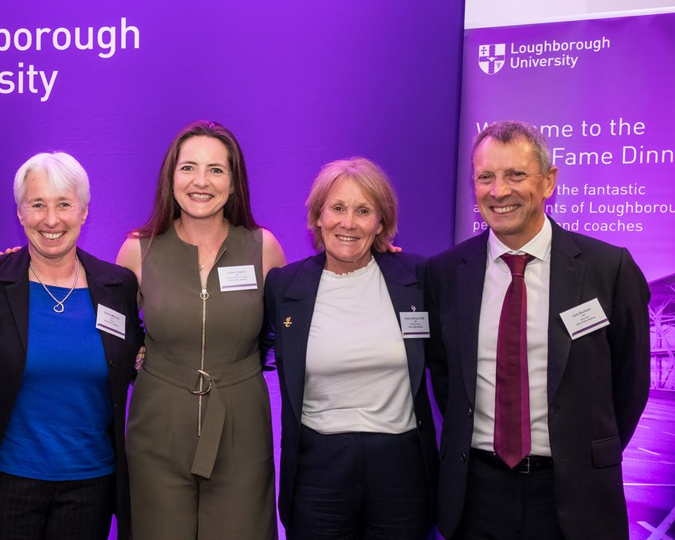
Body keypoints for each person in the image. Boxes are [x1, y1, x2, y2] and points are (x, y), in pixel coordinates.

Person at [426, 121, 650, 539]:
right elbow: (445, 377)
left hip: (576, 496)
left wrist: (585, 451)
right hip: (477, 495)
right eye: (485, 177)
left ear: (548, 182)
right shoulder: (446, 275)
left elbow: (630, 383)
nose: (499, 191)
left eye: (516, 174)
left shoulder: (608, 269)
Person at [0, 152, 143, 540]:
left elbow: (135, 358)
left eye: (64, 204)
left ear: (84, 212)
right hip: (7, 480)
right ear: (20, 213)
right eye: (37, 205)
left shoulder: (118, 286)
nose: (51, 219)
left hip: (91, 484)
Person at [116, 120, 285, 539]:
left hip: (241, 428)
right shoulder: (138, 249)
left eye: (216, 169)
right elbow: (109, 333)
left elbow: (292, 321)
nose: (201, 181)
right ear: (171, 177)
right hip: (157, 428)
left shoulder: (264, 247)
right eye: (188, 167)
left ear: (234, 181)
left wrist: (378, 254)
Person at [263, 157, 438, 539]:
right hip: (319, 470)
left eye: (363, 211)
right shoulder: (284, 286)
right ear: (318, 216)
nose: (349, 223)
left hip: (401, 468)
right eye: (338, 208)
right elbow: (250, 346)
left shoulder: (419, 278)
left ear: (380, 223)